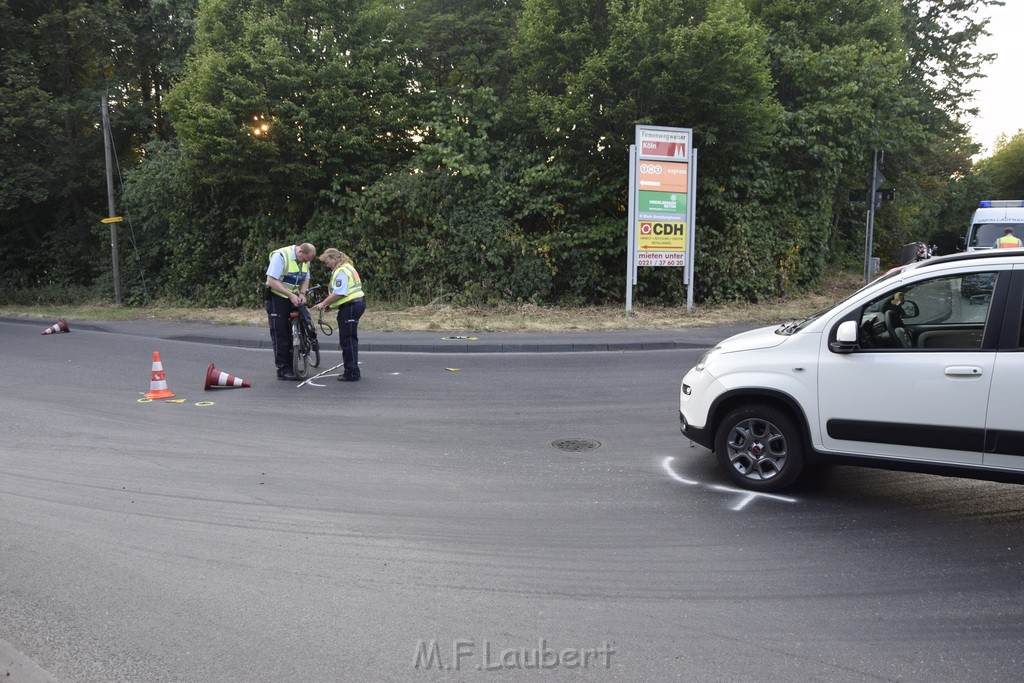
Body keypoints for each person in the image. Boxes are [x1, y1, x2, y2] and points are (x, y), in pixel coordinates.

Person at [265, 243, 316, 380]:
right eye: (305, 259)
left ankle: (292, 365)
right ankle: (282, 369)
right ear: (300, 252)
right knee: (280, 333)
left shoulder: (306, 260)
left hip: (293, 297)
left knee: (293, 331)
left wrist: (302, 293)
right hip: (277, 298)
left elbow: (306, 278)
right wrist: (290, 295)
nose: (306, 262)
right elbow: (271, 280)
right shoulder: (281, 256)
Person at [313, 248, 365, 382]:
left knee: (347, 340)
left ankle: (351, 373)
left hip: (351, 306)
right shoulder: (348, 267)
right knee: (350, 339)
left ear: (334, 259)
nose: (327, 265)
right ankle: (352, 370)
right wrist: (332, 305)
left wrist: (323, 304)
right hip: (354, 305)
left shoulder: (341, 271)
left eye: (327, 262)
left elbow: (340, 292)